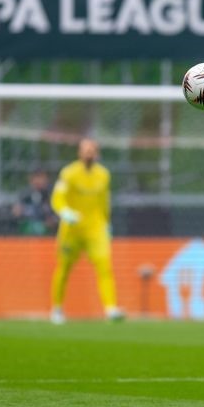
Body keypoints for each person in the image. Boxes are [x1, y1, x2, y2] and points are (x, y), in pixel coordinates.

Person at [50, 138, 122, 324]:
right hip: (72, 229)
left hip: (95, 228)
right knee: (64, 268)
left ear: (97, 153)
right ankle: (57, 308)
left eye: (92, 150)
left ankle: (111, 308)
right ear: (79, 152)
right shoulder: (69, 173)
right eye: (86, 149)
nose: (89, 153)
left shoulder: (103, 175)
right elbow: (57, 197)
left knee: (105, 267)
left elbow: (104, 201)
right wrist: (65, 212)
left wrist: (107, 223)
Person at [12, 169, 57, 236]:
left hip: (47, 230)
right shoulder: (25, 194)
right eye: (36, 178)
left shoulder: (52, 194)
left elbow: (57, 213)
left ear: (46, 179)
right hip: (27, 227)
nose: (38, 181)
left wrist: (52, 220)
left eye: (41, 178)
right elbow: (16, 211)